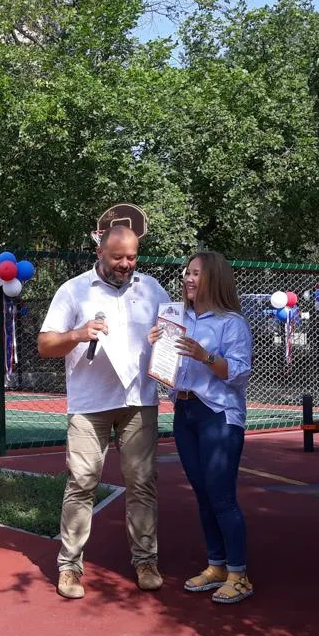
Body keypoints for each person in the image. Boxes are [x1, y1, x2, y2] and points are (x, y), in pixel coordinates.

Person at [38, 224, 171, 600]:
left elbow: (173, 331)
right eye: (118, 258)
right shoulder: (74, 290)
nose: (126, 265)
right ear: (99, 253)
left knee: (143, 483)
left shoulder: (151, 289)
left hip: (139, 402)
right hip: (89, 404)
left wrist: (166, 342)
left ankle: (146, 561)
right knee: (81, 483)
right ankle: (69, 567)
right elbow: (46, 344)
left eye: (132, 257)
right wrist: (76, 335)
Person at [150, 251, 254, 604]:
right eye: (187, 273)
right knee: (203, 493)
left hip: (218, 415)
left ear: (214, 279)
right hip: (185, 412)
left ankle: (239, 574)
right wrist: (158, 349)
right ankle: (217, 565)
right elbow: (171, 369)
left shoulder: (231, 323)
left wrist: (205, 356)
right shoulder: (178, 318)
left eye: (196, 274)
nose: (188, 279)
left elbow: (239, 374)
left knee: (222, 495)